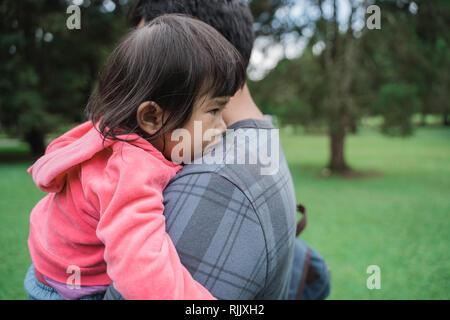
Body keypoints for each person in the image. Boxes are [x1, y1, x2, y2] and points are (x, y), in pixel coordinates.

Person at [104, 0, 330, 300]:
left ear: (191, 45)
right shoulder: (258, 142)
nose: (134, 74)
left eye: (144, 45)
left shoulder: (219, 177)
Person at [23, 14, 247, 300]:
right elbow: (145, 276)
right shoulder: (131, 168)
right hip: (72, 290)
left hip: (46, 269)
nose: (223, 126)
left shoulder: (114, 132)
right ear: (153, 117)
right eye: (214, 111)